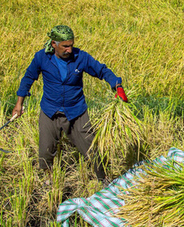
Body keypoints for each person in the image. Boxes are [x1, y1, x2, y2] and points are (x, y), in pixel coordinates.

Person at [12, 25, 128, 179]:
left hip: (76, 111)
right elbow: (28, 78)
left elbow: (101, 70)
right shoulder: (42, 58)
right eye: (65, 46)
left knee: (91, 148)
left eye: (71, 45)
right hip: (50, 111)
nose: (69, 50)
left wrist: (117, 85)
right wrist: (19, 103)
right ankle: (49, 178)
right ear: (54, 44)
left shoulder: (81, 57)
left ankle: (103, 179)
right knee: (46, 150)